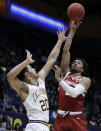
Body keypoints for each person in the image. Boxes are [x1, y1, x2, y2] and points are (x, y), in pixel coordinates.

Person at [7, 28, 67, 131]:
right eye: (31, 68)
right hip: (34, 126)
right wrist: (26, 62)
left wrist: (59, 41)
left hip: (44, 126)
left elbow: (51, 59)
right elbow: (10, 77)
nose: (34, 68)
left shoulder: (40, 79)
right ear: (27, 75)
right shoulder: (24, 88)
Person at [53, 21, 91, 131]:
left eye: (79, 63)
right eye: (74, 62)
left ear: (82, 69)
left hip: (76, 118)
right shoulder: (66, 74)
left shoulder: (85, 80)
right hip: (60, 117)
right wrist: (73, 31)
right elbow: (65, 51)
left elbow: (74, 93)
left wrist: (60, 81)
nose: (75, 63)